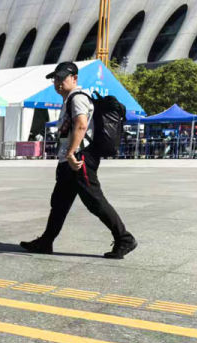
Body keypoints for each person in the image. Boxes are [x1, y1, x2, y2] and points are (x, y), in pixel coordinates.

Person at [20, 62, 137, 259]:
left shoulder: (78, 98)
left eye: (61, 78)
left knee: (94, 201)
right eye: (55, 79)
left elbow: (81, 125)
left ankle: (124, 238)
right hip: (71, 159)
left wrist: (71, 153)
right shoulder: (69, 99)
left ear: (74, 78)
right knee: (59, 202)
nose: (57, 82)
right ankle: (46, 241)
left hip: (80, 158)